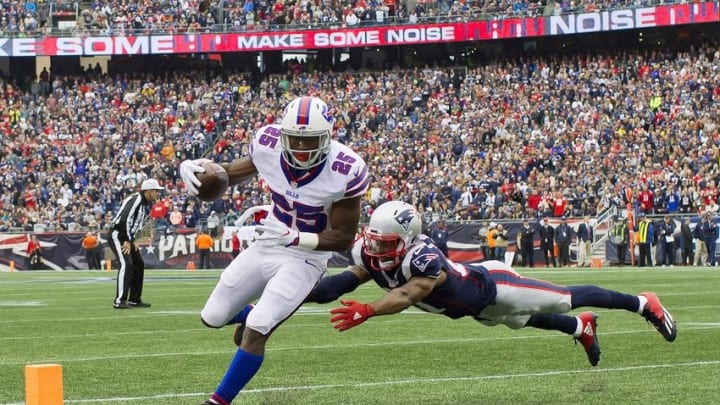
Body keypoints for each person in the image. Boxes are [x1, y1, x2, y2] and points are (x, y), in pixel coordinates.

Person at [300, 201, 677, 368]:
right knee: (522, 320)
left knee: (562, 299)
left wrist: (369, 310)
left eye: (385, 243)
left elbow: (409, 293)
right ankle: (582, 328)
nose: (375, 248)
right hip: (476, 308)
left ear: (407, 239)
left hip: (496, 286)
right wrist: (288, 293)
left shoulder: (422, 257)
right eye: (374, 240)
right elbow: (339, 285)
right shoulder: (371, 255)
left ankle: (643, 302)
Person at [179, 96, 369, 405]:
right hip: (269, 241)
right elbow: (228, 173)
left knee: (256, 331)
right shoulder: (267, 144)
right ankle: (254, 312)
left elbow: (344, 237)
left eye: (309, 141)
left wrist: (297, 238)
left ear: (327, 138)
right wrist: (198, 170)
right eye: (294, 139)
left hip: (307, 255)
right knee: (212, 316)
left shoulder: (345, 169)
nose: (300, 148)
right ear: (282, 134)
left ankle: (219, 401)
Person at [108, 178, 164, 309]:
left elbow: (135, 222)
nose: (157, 194)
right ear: (148, 191)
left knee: (138, 263)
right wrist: (127, 240)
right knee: (126, 264)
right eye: (155, 191)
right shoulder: (136, 200)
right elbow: (124, 219)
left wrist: (133, 240)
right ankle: (119, 300)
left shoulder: (143, 203)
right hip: (118, 235)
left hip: (127, 236)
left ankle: (134, 299)